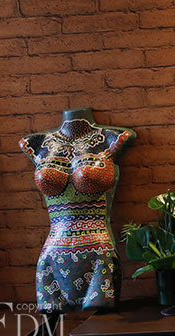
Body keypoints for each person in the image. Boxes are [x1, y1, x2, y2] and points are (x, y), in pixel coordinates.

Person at [20, 107, 135, 312]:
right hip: (52, 255)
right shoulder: (35, 143)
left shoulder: (113, 138)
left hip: (99, 250)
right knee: (51, 324)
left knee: (101, 324)